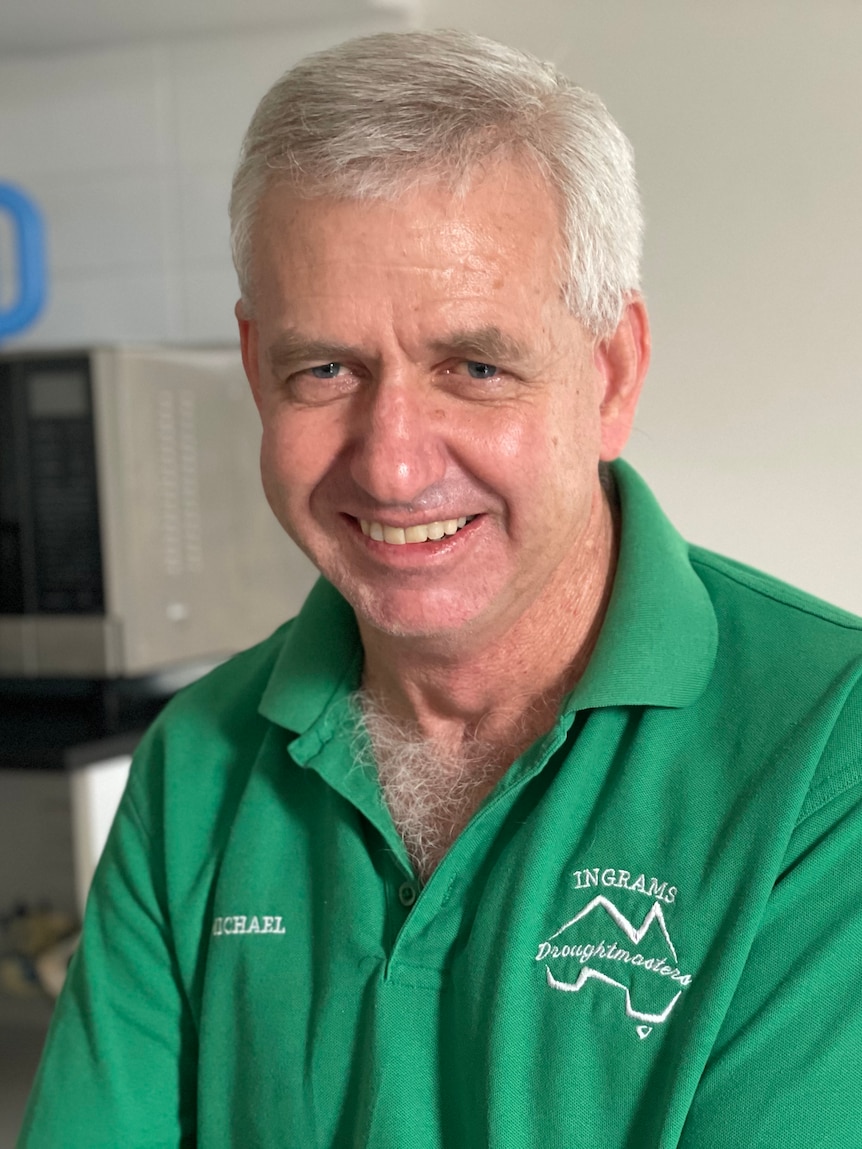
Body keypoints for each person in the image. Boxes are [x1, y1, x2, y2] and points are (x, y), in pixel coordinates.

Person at [18, 29, 862, 1149]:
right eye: (325, 369)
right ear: (255, 370)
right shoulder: (197, 764)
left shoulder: (828, 756)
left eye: (474, 366)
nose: (393, 462)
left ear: (608, 377)